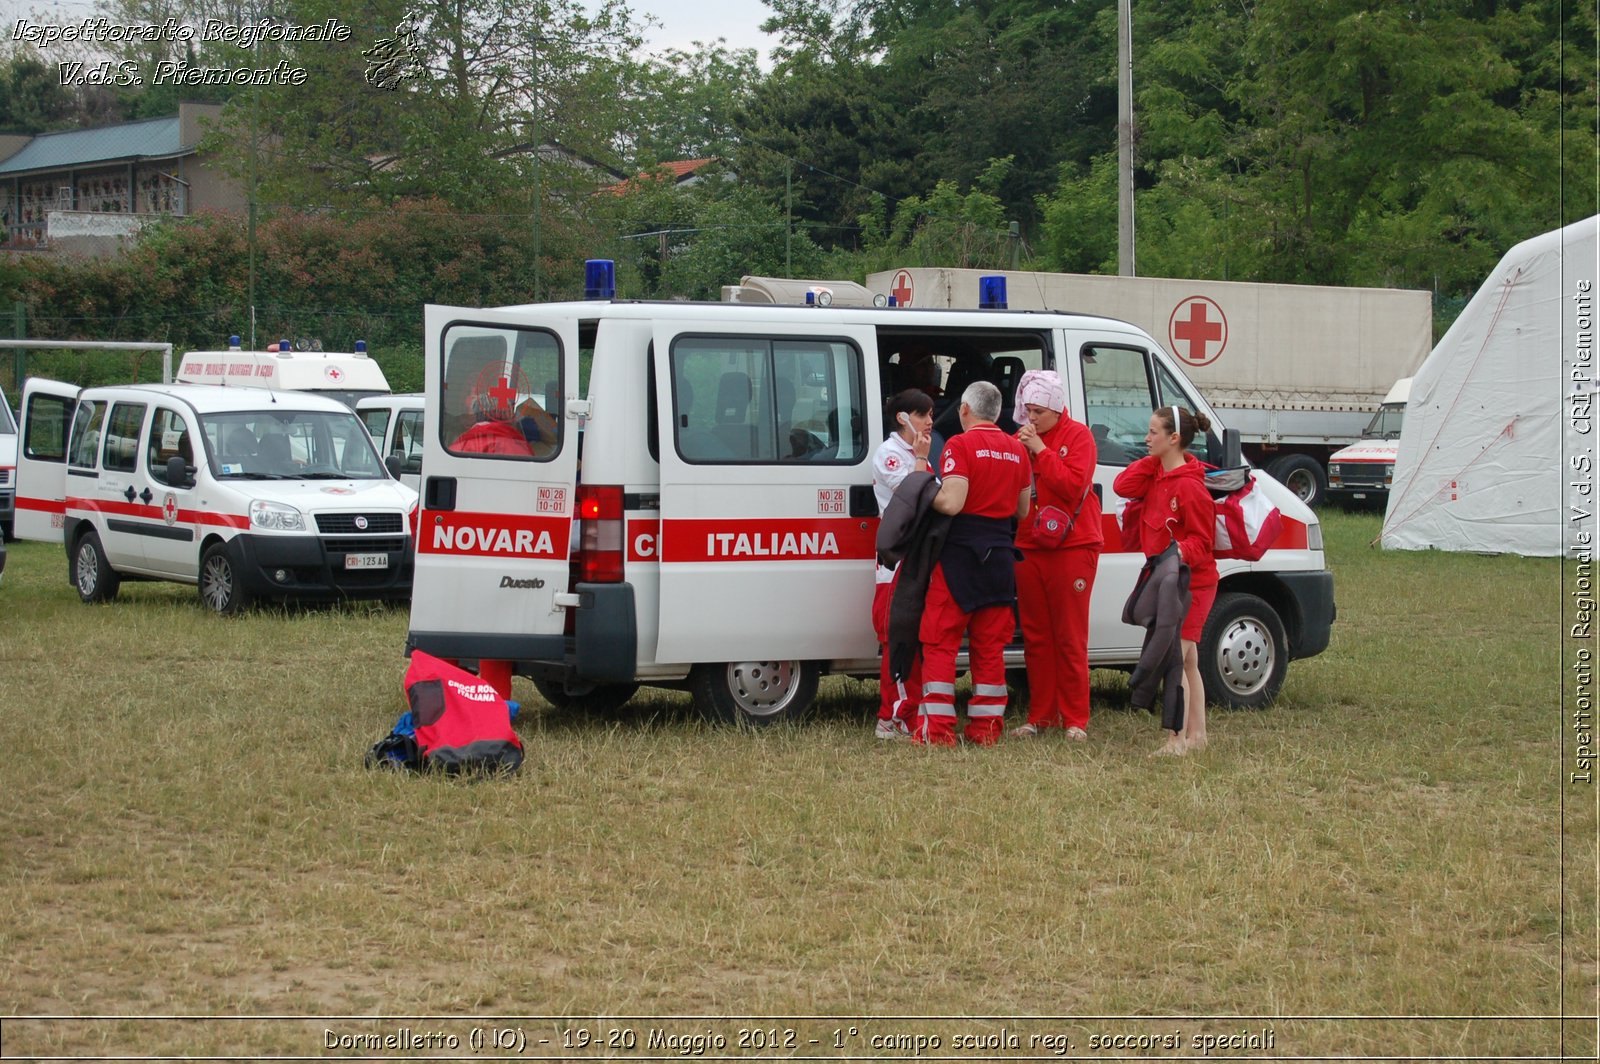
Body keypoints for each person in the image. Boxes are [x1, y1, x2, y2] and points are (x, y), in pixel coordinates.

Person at [916, 380, 1032, 746]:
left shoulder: (960, 445)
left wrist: (923, 481)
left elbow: (952, 502)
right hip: (999, 559)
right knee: (990, 648)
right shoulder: (1018, 451)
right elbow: (1022, 510)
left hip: (959, 558)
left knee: (939, 643)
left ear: (964, 410)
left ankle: (936, 732)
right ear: (997, 413)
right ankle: (986, 730)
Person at [1113, 405, 1217, 756]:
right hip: (1169, 581)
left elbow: (1203, 543)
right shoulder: (1158, 473)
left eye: (1154, 432)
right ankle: (1198, 736)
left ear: (1174, 438)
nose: (1146, 438)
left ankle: (1176, 740)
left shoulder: (1190, 488)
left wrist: (1175, 556)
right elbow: (1122, 484)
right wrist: (1156, 459)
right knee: (1189, 661)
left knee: (1173, 659)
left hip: (1193, 586)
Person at [1009, 370, 1103, 741]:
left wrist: (1041, 452)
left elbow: (1070, 486)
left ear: (1055, 409)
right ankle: (1041, 715)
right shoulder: (1024, 439)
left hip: (1073, 545)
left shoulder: (1078, 436)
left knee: (1069, 634)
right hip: (1030, 543)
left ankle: (1076, 718)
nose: (1030, 418)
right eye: (1027, 410)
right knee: (1036, 635)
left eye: (1037, 412)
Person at [870, 389, 935, 739]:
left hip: (916, 560)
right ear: (902, 418)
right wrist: (922, 462)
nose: (929, 421)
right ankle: (893, 717)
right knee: (898, 643)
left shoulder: (916, 453)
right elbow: (916, 498)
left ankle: (906, 714)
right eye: (923, 414)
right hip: (895, 565)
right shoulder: (890, 454)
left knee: (914, 642)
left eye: (930, 414)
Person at [449, 392, 536, 456]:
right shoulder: (519, 448)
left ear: (476, 415)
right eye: (510, 413)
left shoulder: (457, 449)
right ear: (505, 417)